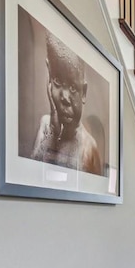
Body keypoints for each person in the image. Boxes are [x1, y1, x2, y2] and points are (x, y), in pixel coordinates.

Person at [32, 32, 103, 176]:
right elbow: (31, 177)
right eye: (57, 81)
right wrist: (53, 133)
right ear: (49, 79)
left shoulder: (90, 147)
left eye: (72, 88)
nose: (65, 98)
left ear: (83, 92)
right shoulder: (45, 126)